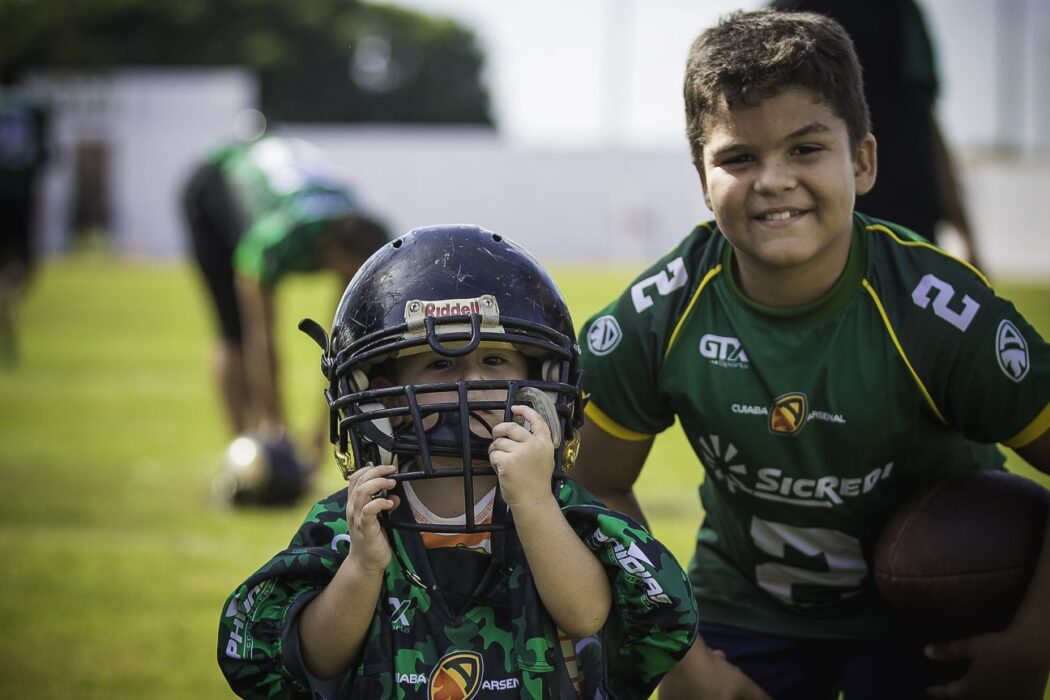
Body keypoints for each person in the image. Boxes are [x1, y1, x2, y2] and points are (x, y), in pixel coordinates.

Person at [571, 9, 1050, 699]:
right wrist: (685, 656)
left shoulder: (938, 311)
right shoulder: (661, 312)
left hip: (921, 617)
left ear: (863, 160)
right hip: (741, 607)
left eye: (805, 148)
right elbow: (596, 483)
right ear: (702, 179)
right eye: (739, 157)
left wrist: (1032, 644)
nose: (773, 180)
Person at [217, 224, 699, 698]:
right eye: (440, 364)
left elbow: (587, 616)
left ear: (539, 382)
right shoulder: (356, 517)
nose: (469, 384)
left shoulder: (556, 504)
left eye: (493, 362)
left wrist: (533, 504)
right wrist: (362, 566)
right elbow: (317, 660)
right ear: (381, 395)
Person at [182, 130, 389, 504]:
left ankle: (267, 448)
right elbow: (263, 340)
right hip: (211, 187)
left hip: (292, 199)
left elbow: (340, 347)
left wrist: (321, 436)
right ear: (330, 252)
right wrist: (276, 434)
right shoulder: (279, 238)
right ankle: (246, 451)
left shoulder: (366, 233)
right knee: (234, 332)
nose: (345, 284)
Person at [771, 0, 983, 271]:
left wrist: (964, 232)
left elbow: (924, 119)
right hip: (824, 232)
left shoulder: (897, 10)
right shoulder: (787, 10)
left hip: (905, 220)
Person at [0, 82, 49, 367]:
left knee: (17, 275)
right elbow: (45, 156)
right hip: (20, 202)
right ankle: (7, 305)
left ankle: (6, 308)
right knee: (24, 272)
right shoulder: (32, 110)